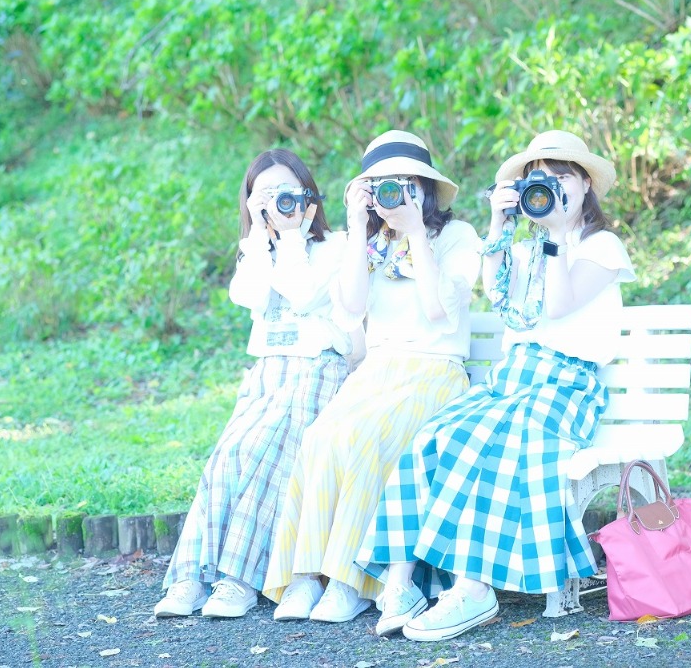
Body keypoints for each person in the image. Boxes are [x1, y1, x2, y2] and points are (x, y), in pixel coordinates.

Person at [357, 130, 636, 641]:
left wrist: (553, 233)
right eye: (538, 181)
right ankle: (401, 585)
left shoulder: (602, 246)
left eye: (562, 178)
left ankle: (473, 588)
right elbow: (496, 292)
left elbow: (559, 306)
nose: (551, 188)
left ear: (586, 185)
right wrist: (499, 223)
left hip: (565, 385)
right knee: (435, 437)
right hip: (511, 379)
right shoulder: (527, 245)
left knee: (497, 443)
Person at [262, 130, 482, 623]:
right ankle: (307, 576)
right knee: (321, 436)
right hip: (377, 371)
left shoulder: (456, 237)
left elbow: (437, 310)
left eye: (405, 182)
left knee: (367, 437)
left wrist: (415, 232)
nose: (394, 192)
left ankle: (350, 581)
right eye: (382, 184)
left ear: (425, 187)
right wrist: (357, 226)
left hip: (433, 371)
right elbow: (352, 307)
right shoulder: (371, 242)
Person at [154, 149, 354, 619]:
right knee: (228, 455)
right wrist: (262, 238)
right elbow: (247, 295)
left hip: (318, 368)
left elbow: (304, 296)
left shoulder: (337, 246)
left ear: (308, 195)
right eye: (264, 194)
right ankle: (191, 577)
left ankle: (238, 581)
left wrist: (292, 237)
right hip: (268, 372)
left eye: (287, 192)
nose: (278, 201)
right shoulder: (257, 251)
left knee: (269, 451)